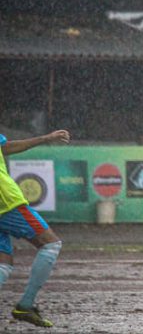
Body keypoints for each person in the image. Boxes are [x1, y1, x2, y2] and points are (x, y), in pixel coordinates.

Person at [0, 130, 69, 328]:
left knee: (3, 262)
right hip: (6, 203)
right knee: (50, 244)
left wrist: (45, 139)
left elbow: (4, 147)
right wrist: (46, 139)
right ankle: (26, 304)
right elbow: (5, 147)